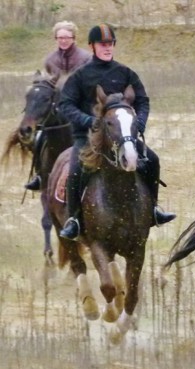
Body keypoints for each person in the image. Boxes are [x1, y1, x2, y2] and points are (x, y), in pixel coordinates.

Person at [57, 23, 176, 241]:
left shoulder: (126, 73)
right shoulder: (80, 76)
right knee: (75, 170)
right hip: (88, 138)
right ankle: (74, 219)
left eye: (110, 43)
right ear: (92, 46)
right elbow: (65, 105)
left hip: (123, 136)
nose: (107, 47)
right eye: (103, 44)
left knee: (153, 160)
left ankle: (154, 210)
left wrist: (138, 123)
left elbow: (143, 101)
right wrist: (87, 120)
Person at [24, 20, 91, 191]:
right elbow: (48, 84)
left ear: (74, 38)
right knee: (39, 137)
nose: (63, 40)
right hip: (57, 106)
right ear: (56, 38)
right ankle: (40, 174)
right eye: (60, 37)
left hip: (80, 105)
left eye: (67, 37)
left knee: (97, 133)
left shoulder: (85, 58)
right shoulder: (50, 59)